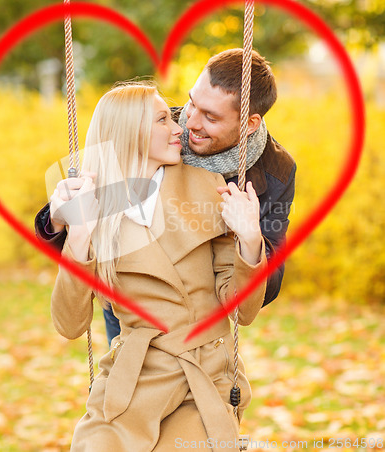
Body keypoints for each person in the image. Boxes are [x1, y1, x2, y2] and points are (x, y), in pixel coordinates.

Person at [51, 82, 267, 451]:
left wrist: (250, 241)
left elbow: (242, 312)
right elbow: (70, 325)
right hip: (132, 378)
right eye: (163, 119)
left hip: (200, 377)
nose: (179, 127)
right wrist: (78, 237)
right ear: (130, 132)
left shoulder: (208, 187)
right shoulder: (94, 202)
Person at [35, 48, 296, 346]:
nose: (188, 123)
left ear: (249, 124)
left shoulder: (275, 171)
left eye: (210, 116)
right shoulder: (161, 128)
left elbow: (268, 270)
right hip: (132, 298)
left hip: (201, 313)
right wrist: (54, 222)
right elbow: (84, 202)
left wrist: (244, 241)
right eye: (191, 103)